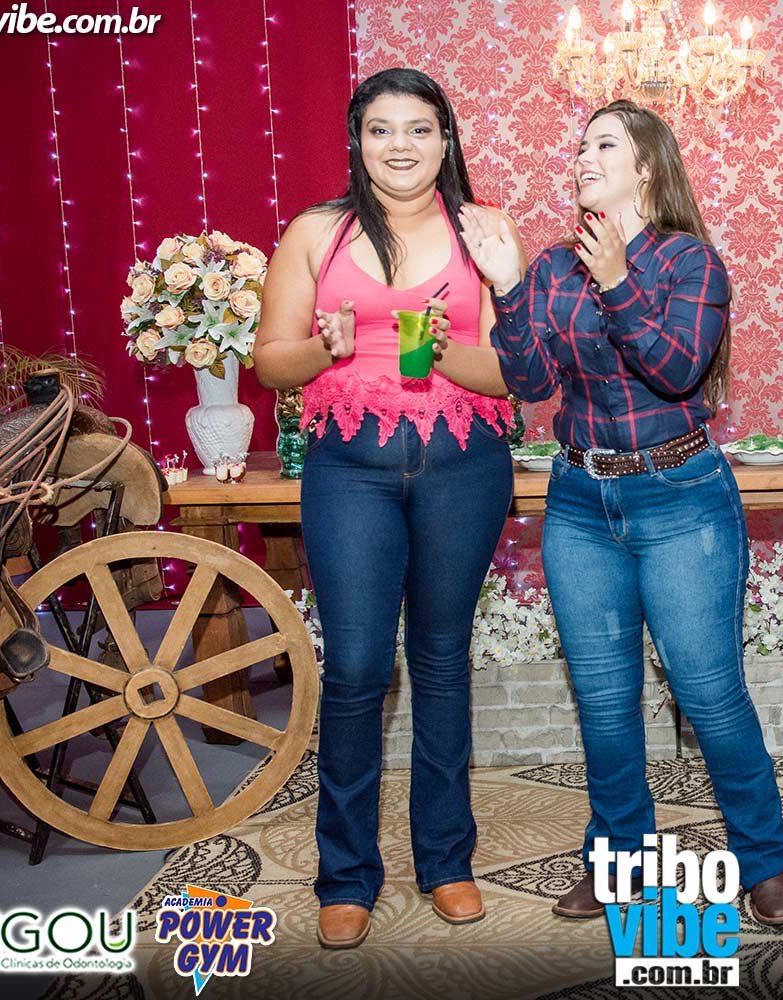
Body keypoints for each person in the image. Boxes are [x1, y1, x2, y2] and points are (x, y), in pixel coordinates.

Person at [458, 99, 783, 925]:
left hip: (681, 496)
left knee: (709, 693)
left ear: (646, 166)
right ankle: (620, 865)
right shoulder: (552, 268)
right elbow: (531, 384)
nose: (582, 157)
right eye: (580, 146)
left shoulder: (690, 262)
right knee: (605, 702)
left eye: (603, 144)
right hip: (581, 503)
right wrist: (507, 286)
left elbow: (677, 369)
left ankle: (764, 862)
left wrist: (616, 280)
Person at [254, 67, 520, 949]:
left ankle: (446, 861)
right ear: (357, 141)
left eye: (417, 129)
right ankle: (346, 875)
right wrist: (323, 348)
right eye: (380, 129)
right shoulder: (316, 232)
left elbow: (513, 375)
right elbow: (270, 361)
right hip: (349, 471)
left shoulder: (485, 231)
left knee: (441, 661)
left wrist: (444, 355)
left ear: (446, 141)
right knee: (358, 668)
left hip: (464, 467)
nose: (399, 145)